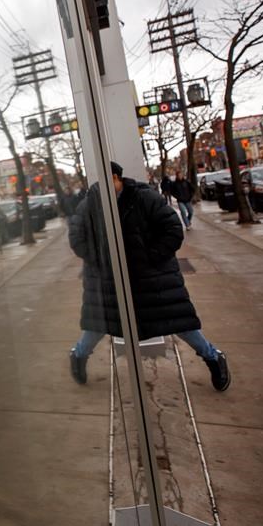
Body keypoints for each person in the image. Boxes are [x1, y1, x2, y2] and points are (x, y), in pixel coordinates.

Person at [67, 161, 230, 391]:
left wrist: (151, 257)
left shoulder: (145, 198)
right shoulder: (89, 204)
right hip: (108, 279)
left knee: (180, 322)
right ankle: (78, 356)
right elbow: (76, 236)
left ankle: (213, 357)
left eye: (107, 181)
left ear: (116, 178)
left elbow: (172, 229)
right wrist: (100, 259)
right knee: (98, 324)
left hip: (152, 277)